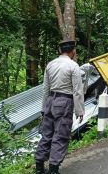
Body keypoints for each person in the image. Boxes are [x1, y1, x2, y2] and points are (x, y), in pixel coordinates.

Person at [35, 40, 84, 174]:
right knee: (60, 136)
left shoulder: (50, 64)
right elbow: (77, 91)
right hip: (64, 102)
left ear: (60, 51)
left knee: (47, 135)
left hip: (50, 100)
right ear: (72, 51)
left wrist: (44, 108)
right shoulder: (73, 66)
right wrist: (80, 110)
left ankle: (39, 167)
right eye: (75, 50)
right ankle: (53, 169)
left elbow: (45, 88)